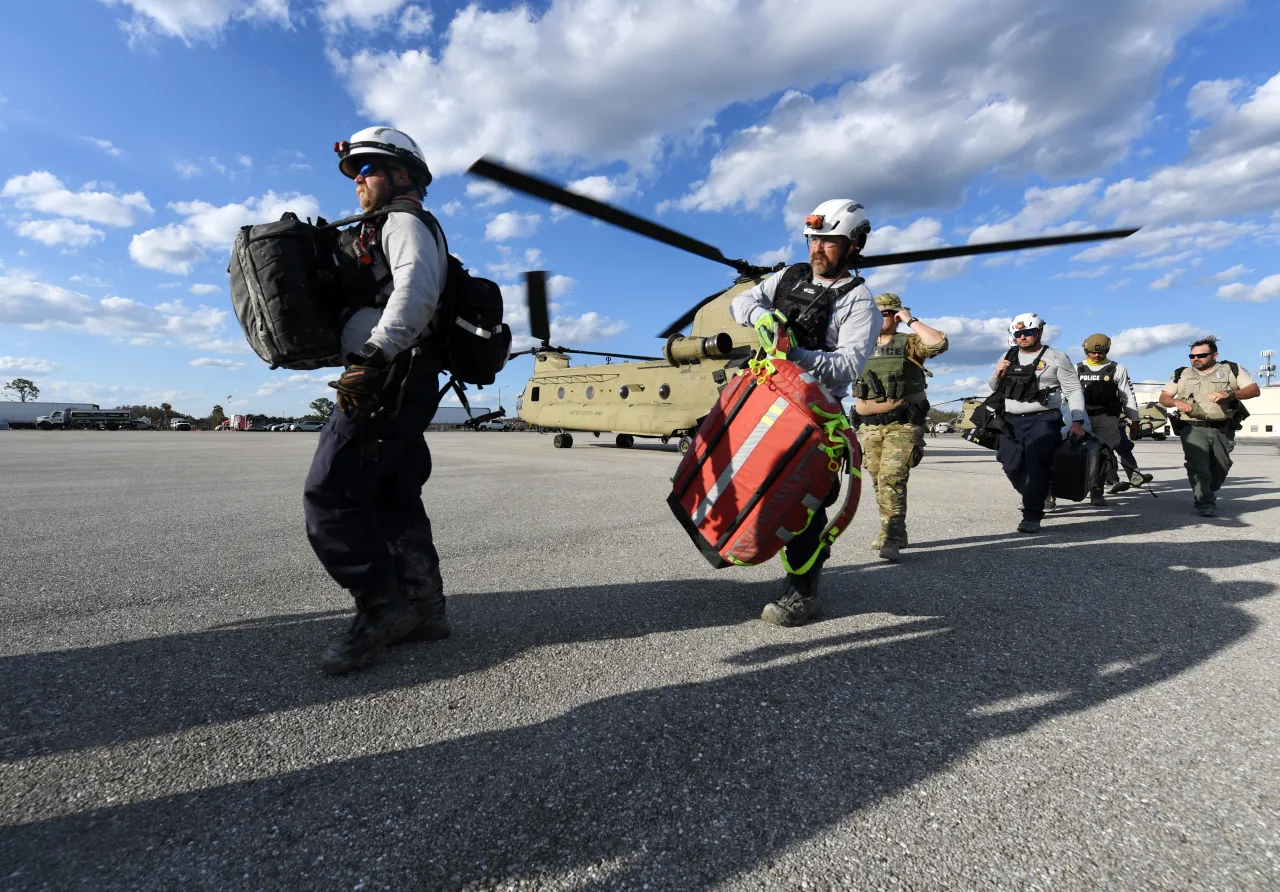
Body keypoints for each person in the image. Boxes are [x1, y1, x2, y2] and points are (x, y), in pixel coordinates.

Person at [304, 126, 451, 675]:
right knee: (394, 495)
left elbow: (416, 291)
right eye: (355, 172)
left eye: (367, 169)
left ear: (401, 175)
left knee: (331, 494)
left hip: (387, 377)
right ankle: (425, 608)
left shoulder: (403, 222)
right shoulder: (392, 224)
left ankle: (382, 608)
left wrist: (372, 359)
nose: (358, 180)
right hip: (405, 376)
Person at [730, 199, 880, 626]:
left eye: (830, 241)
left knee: (804, 500)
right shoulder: (790, 275)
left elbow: (848, 366)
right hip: (763, 399)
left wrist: (791, 352)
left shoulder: (858, 301)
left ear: (854, 245)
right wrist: (760, 316)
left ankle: (804, 591)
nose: (818, 248)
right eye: (814, 238)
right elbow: (741, 303)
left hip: (813, 413)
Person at [851, 293, 948, 560]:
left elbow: (938, 343)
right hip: (869, 426)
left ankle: (893, 537)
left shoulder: (909, 342)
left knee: (891, 478)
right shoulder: (861, 344)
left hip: (902, 424)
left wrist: (909, 319)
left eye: (883, 313)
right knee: (877, 481)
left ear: (894, 315)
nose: (876, 317)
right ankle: (890, 530)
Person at [987, 314, 1086, 534]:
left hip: (1043, 419)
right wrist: (997, 373)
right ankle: (1040, 492)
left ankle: (1032, 515)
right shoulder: (1008, 356)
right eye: (1018, 334)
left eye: (1027, 333)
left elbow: (1072, 390)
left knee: (1037, 464)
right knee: (1009, 462)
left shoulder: (1057, 357)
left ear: (1039, 332)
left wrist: (1077, 421)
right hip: (1010, 420)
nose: (1022, 337)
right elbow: (994, 387)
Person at [1159, 337, 1260, 517]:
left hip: (1222, 427)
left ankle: (1207, 489)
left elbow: (1254, 390)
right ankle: (1204, 502)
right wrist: (1176, 402)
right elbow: (1164, 397)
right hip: (1192, 428)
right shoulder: (1182, 374)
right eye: (1192, 355)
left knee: (1221, 466)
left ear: (1215, 355)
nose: (1195, 359)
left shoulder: (1231, 369)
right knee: (1198, 465)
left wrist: (1229, 393)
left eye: (1202, 355)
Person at [1076, 333, 1153, 506]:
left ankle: (1098, 491)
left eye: (1101, 352)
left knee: (1104, 455)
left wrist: (1135, 420)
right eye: (1092, 352)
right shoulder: (1077, 368)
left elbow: (1127, 396)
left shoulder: (1117, 369)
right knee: (1080, 456)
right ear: (1085, 350)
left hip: (1107, 419)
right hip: (1082, 418)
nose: (1096, 355)